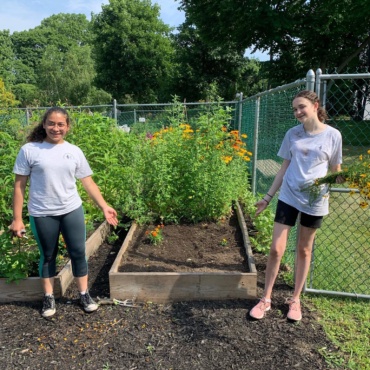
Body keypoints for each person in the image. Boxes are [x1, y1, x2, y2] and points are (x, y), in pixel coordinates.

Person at [10, 107, 119, 318]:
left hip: (71, 210)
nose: (55, 128)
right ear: (43, 124)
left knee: (78, 253)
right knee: (48, 256)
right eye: (51, 123)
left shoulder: (74, 151)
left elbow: (87, 182)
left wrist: (104, 206)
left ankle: (84, 294)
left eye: (61, 124)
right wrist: (17, 219)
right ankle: (49, 297)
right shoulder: (30, 150)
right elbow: (19, 186)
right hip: (42, 213)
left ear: (67, 127)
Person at [249, 90, 343, 321]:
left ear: (314, 105)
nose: (298, 112)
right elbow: (283, 168)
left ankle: (295, 300)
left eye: (301, 106)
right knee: (276, 249)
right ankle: (266, 299)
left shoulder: (333, 136)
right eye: (295, 109)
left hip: (315, 200)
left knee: (304, 250)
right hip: (288, 197)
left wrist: (347, 178)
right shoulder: (292, 134)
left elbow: (336, 173)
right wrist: (268, 197)